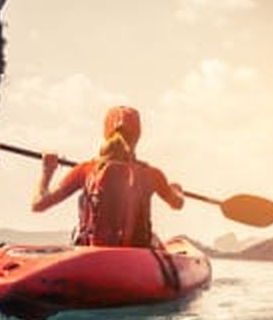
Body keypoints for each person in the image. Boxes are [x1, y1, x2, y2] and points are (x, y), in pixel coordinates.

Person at [31, 106, 184, 247]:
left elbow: (38, 205)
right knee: (155, 239)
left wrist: (47, 170)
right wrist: (176, 189)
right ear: (138, 136)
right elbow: (177, 203)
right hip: (137, 254)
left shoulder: (86, 170)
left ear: (105, 133)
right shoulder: (152, 174)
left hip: (91, 251)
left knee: (77, 233)